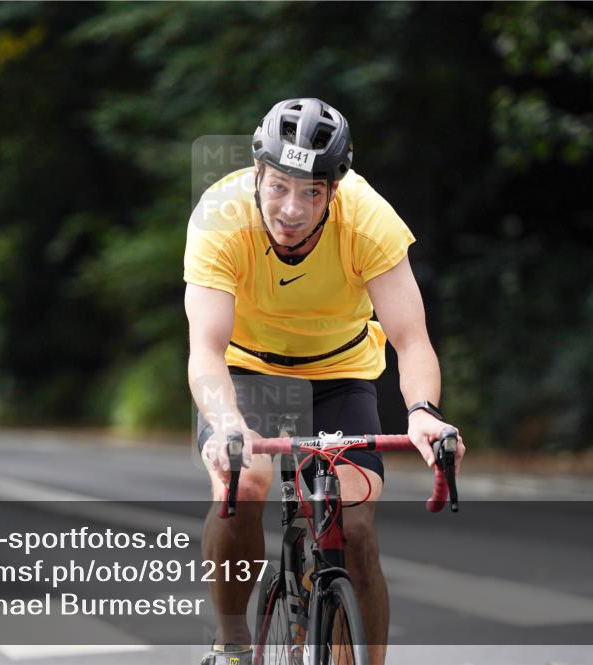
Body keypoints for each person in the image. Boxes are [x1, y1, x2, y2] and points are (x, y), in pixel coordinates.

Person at [185, 98, 466, 665]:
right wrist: (226, 424)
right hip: (247, 371)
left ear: (335, 190)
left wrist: (424, 411)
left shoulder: (369, 220)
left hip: (340, 373)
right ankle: (233, 641)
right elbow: (206, 350)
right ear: (257, 172)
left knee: (357, 528)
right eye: (280, 186)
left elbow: (411, 340)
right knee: (243, 487)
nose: (293, 208)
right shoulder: (219, 217)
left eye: (312, 191)